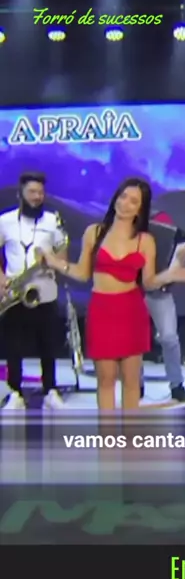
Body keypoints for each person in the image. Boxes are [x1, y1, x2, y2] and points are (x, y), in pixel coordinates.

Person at [39, 177, 185, 412]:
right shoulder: (94, 232)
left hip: (131, 312)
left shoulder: (145, 241)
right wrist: (55, 262)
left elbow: (149, 282)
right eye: (123, 197)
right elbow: (82, 273)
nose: (125, 204)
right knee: (106, 380)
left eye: (133, 201)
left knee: (131, 383)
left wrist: (171, 274)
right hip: (102, 311)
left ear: (140, 209)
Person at [0, 172, 67, 411]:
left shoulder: (53, 221)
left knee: (48, 344)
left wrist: (54, 262)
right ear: (20, 194)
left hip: (45, 291)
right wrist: (1, 279)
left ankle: (50, 390)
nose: (37, 197)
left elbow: (62, 253)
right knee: (14, 345)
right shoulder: (5, 221)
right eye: (32, 192)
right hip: (15, 293)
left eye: (40, 192)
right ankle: (15, 392)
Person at [145, 210, 185, 403]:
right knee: (133, 340)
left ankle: (176, 384)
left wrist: (179, 263)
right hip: (131, 291)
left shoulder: (170, 230)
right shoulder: (128, 231)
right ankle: (135, 384)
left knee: (170, 337)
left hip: (159, 292)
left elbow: (176, 265)